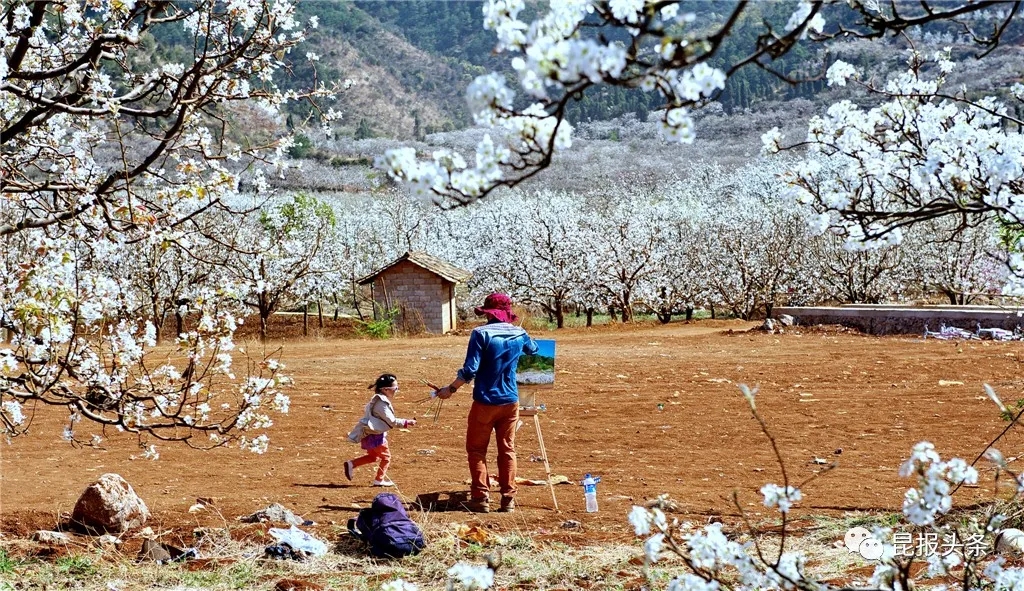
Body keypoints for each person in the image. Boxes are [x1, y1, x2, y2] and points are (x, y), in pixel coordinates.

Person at [435, 293, 538, 513]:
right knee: (507, 449)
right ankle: (508, 498)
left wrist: (450, 389)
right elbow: (534, 350)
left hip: (485, 401)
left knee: (476, 450)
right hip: (511, 400)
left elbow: (470, 369)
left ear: (489, 313)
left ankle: (480, 498)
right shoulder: (520, 333)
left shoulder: (480, 334)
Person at [345, 373, 416, 487]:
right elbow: (392, 421)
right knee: (386, 458)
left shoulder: (376, 400)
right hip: (376, 435)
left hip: (369, 433)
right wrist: (407, 422)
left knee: (373, 457)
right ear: (386, 389)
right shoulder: (381, 404)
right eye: (395, 388)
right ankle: (379, 480)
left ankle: (352, 464)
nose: (396, 391)